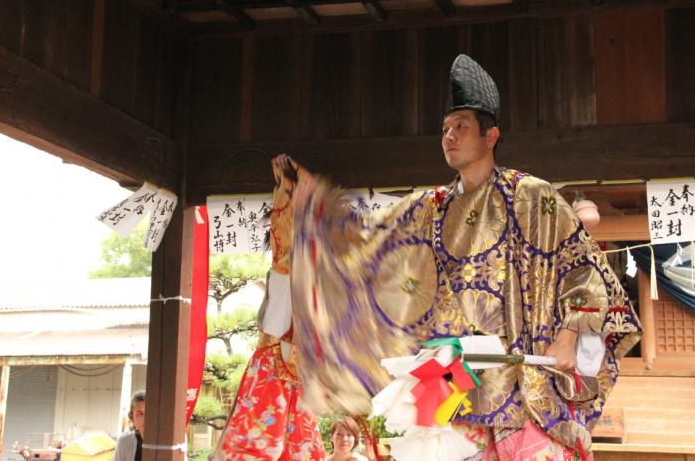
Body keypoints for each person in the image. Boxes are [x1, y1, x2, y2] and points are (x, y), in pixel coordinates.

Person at [285, 54, 642, 461]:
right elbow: (372, 238)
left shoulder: (532, 196)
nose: (449, 136)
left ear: (491, 136)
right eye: (445, 129)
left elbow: (583, 269)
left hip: (522, 382)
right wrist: (318, 210)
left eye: (461, 127)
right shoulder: (430, 207)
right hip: (452, 385)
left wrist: (569, 334)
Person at [211, 155, 326, 461]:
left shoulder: (300, 278)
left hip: (285, 367)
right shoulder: (290, 276)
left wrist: (287, 186)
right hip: (282, 364)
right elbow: (285, 251)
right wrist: (287, 186)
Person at [114, 391, 145, 461]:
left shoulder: (164, 442)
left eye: (149, 412)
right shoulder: (125, 441)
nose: (145, 419)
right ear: (132, 416)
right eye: (141, 414)